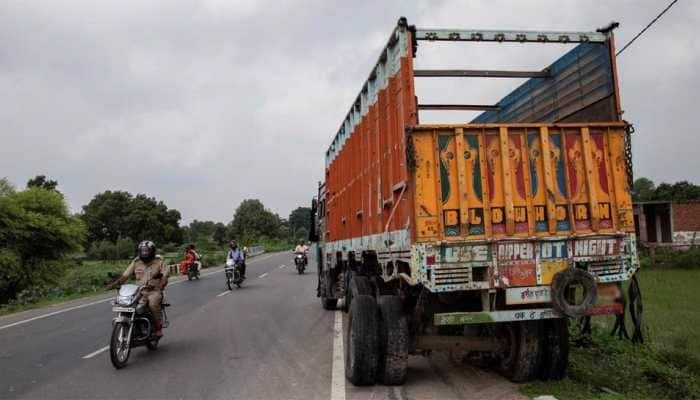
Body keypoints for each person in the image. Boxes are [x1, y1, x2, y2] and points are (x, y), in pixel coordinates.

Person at [109, 241, 169, 337]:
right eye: (142, 251)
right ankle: (132, 325)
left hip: (153, 291)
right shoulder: (136, 262)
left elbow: (165, 275)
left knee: (153, 304)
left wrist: (161, 283)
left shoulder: (159, 261)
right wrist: (116, 283)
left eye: (147, 251)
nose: (144, 253)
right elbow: (126, 275)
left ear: (152, 251)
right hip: (139, 291)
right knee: (127, 304)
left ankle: (158, 327)